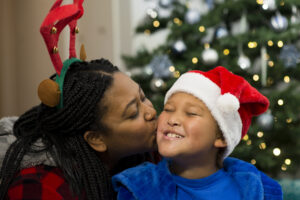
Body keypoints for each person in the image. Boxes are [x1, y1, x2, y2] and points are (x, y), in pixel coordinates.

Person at [112, 66, 283, 200]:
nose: (172, 119)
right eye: (168, 109)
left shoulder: (256, 188)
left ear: (221, 136)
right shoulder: (138, 186)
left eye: (191, 113)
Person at [0, 59, 158, 199]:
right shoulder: (40, 187)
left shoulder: (144, 151)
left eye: (142, 97)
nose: (151, 112)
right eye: (133, 113)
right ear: (96, 138)